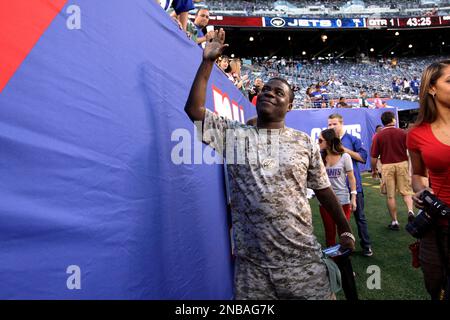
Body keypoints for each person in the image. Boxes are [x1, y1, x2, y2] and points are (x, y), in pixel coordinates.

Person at [184, 29, 355, 300]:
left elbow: (324, 191)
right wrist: (207, 62)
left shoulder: (304, 142)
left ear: (289, 106)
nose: (269, 94)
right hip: (253, 271)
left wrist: (345, 228)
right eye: (265, 90)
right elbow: (194, 110)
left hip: (302, 262)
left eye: (278, 92)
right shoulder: (235, 135)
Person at [406, 60, 450, 300]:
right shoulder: (417, 133)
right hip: (437, 227)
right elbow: (418, 175)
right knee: (435, 286)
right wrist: (422, 192)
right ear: (431, 88)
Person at [328, 114, 373, 257]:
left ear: (341, 124)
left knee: (360, 217)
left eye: (334, 124)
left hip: (354, 186)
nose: (331, 127)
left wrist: (345, 150)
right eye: (329, 124)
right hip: (335, 189)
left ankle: (366, 245)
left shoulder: (352, 139)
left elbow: (363, 158)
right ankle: (340, 248)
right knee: (335, 220)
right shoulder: (328, 142)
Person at [370, 111, 415, 230]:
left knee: (390, 196)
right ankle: (410, 211)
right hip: (402, 164)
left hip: (387, 166)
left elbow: (374, 157)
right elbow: (410, 150)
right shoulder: (402, 132)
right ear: (393, 120)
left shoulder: (378, 136)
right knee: (406, 192)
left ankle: (395, 222)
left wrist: (374, 170)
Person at [318, 129, 358, 247]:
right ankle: (332, 262)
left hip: (343, 200)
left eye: (320, 140)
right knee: (329, 233)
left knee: (344, 233)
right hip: (325, 202)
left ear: (329, 142)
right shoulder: (320, 157)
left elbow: (351, 178)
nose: (318, 143)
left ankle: (344, 260)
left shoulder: (344, 156)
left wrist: (353, 197)